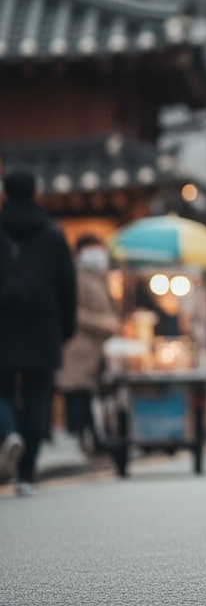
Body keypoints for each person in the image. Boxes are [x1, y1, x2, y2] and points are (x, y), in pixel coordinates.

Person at [0, 171, 76, 494]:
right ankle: (27, 473)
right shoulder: (53, 234)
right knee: (36, 397)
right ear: (37, 192)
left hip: (2, 322)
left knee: (1, 391)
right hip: (43, 325)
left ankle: (7, 432)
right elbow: (67, 287)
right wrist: (66, 328)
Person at [55, 234, 121, 455]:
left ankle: (95, 439)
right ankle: (78, 439)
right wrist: (105, 323)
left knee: (91, 396)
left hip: (95, 348)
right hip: (79, 347)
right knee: (77, 395)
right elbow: (75, 312)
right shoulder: (77, 276)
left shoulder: (99, 276)